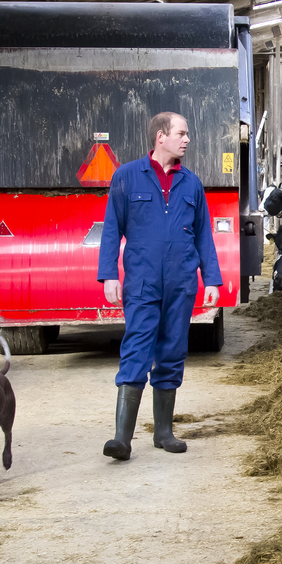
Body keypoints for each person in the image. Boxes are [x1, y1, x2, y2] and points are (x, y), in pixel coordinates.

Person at [97, 111, 222, 459]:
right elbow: (111, 229)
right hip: (142, 282)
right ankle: (122, 439)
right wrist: (108, 273)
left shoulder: (191, 183)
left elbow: (203, 236)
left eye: (187, 134)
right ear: (160, 137)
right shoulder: (127, 177)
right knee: (136, 349)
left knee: (171, 353)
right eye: (181, 133)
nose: (187, 139)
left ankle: (164, 433)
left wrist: (211, 279)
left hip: (181, 283)